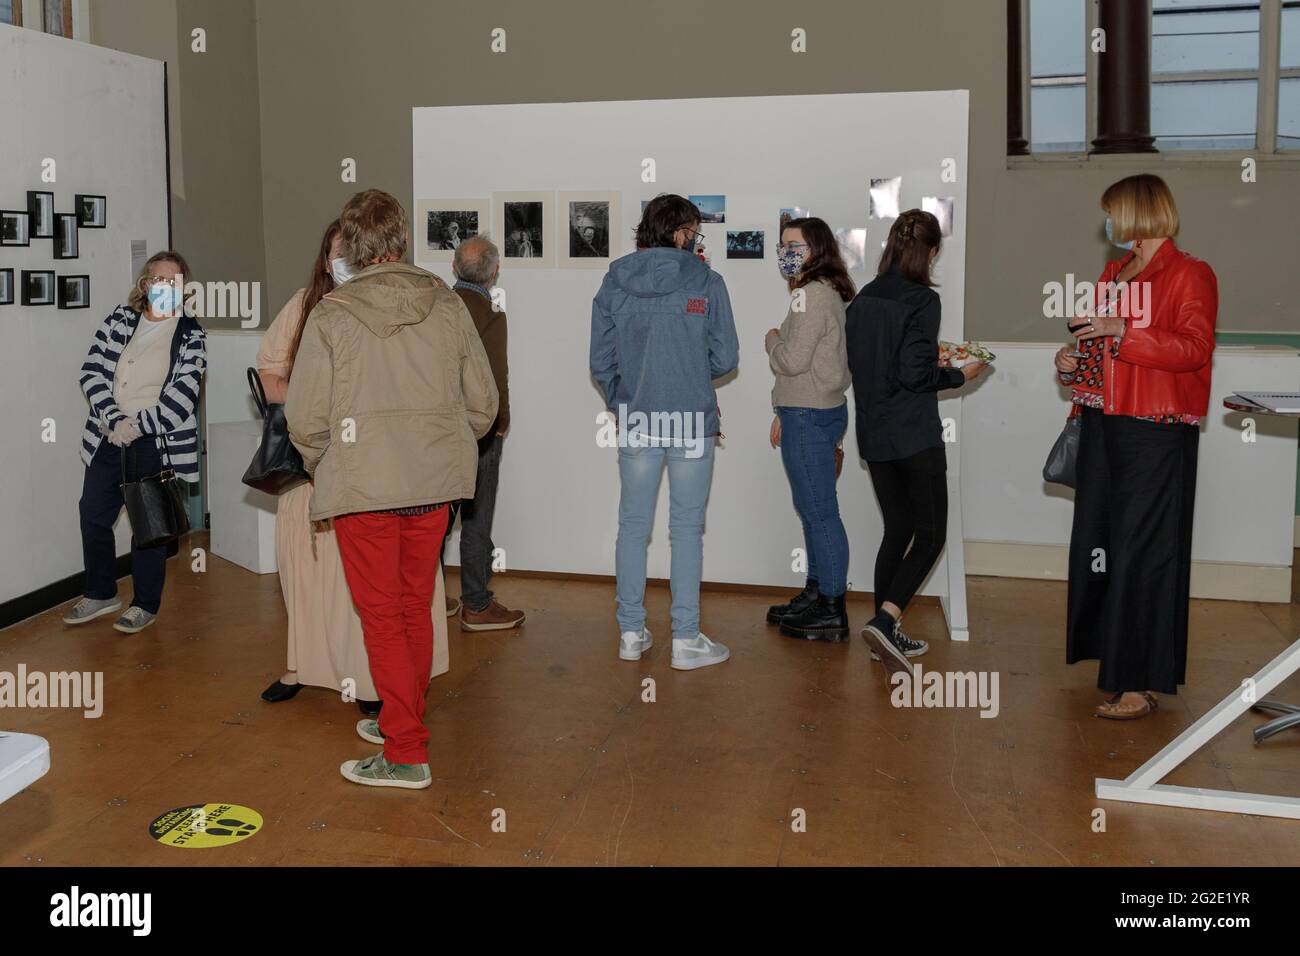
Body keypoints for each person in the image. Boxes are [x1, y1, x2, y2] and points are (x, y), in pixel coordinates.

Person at [287, 189, 498, 789]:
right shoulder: (450, 306)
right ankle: (404, 719)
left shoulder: (331, 315)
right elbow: (483, 404)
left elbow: (304, 420)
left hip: (364, 487)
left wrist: (325, 462)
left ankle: (405, 752)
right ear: (402, 240)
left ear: (352, 247)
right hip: (432, 485)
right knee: (415, 606)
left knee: (381, 616)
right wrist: (445, 445)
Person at [257, 220, 453, 714]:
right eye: (335, 253)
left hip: (378, 467)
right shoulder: (309, 306)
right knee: (306, 571)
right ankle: (302, 665)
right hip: (313, 462)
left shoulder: (411, 303)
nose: (343, 261)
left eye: (352, 252)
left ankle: (375, 684)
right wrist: (315, 401)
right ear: (325, 259)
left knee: (371, 589)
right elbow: (270, 379)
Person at [1054, 174, 1217, 720]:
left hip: (1155, 429)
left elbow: (1194, 349)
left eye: (1112, 212)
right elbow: (1102, 345)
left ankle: (1140, 680)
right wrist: (1072, 360)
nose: (1108, 224)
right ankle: (1113, 659)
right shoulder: (1115, 272)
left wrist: (1122, 331)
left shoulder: (1191, 273)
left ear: (1137, 214)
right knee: (1104, 544)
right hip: (1106, 422)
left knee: (1144, 552)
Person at [590, 193, 739, 670]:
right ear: (679, 232)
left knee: (632, 527)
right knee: (686, 531)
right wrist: (690, 374)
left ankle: (631, 632)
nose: (696, 239)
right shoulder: (708, 282)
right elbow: (726, 357)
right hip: (692, 418)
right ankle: (686, 638)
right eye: (693, 230)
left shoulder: (615, 281)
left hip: (637, 419)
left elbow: (600, 360)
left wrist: (623, 399)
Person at [846, 210, 986, 677]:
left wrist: (928, 356)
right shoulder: (922, 301)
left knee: (897, 529)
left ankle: (881, 633)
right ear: (930, 253)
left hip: (874, 432)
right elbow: (914, 374)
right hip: (913, 434)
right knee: (930, 535)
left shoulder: (864, 298)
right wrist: (957, 373)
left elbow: (878, 365)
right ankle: (887, 620)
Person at [63, 251, 207, 634]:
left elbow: (182, 396)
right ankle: (100, 593)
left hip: (153, 443)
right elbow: (91, 371)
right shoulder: (120, 320)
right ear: (145, 283)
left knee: (149, 527)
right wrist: (113, 419)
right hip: (108, 436)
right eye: (158, 279)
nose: (165, 286)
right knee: (92, 512)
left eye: (172, 280)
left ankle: (145, 603)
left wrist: (138, 425)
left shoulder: (190, 334)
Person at [764, 217, 854, 641]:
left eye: (795, 244)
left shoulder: (809, 295)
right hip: (816, 410)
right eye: (783, 244)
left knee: (819, 512)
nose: (787, 251)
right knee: (815, 510)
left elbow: (792, 359)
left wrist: (771, 340)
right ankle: (818, 594)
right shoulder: (826, 291)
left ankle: (832, 609)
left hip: (808, 413)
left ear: (817, 248)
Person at [450, 236, 525, 631]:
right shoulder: (490, 313)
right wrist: (502, 422)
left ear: (453, 266)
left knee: (439, 514)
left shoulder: (436, 307)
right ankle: (476, 604)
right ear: (494, 272)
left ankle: (428, 596)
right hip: (479, 430)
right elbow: (496, 377)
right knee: (477, 518)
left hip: (437, 430)